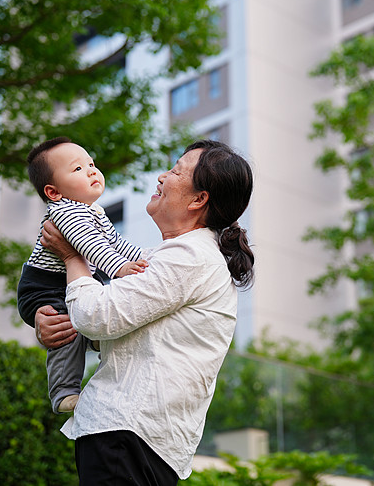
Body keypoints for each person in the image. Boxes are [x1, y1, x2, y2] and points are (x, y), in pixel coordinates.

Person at [35, 139, 254, 484]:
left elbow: (95, 316)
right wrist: (54, 324)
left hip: (130, 434)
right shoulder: (168, 256)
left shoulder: (189, 258)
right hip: (134, 435)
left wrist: (72, 256)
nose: (162, 177)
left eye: (176, 171)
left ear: (199, 200)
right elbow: (115, 331)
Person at [17, 136, 148, 414]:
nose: (91, 171)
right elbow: (92, 247)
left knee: (87, 312)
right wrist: (120, 269)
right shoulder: (65, 212)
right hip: (43, 287)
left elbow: (115, 242)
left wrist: (142, 259)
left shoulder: (93, 211)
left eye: (91, 164)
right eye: (77, 169)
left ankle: (96, 337)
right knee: (65, 331)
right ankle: (63, 391)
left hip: (66, 282)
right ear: (53, 192)